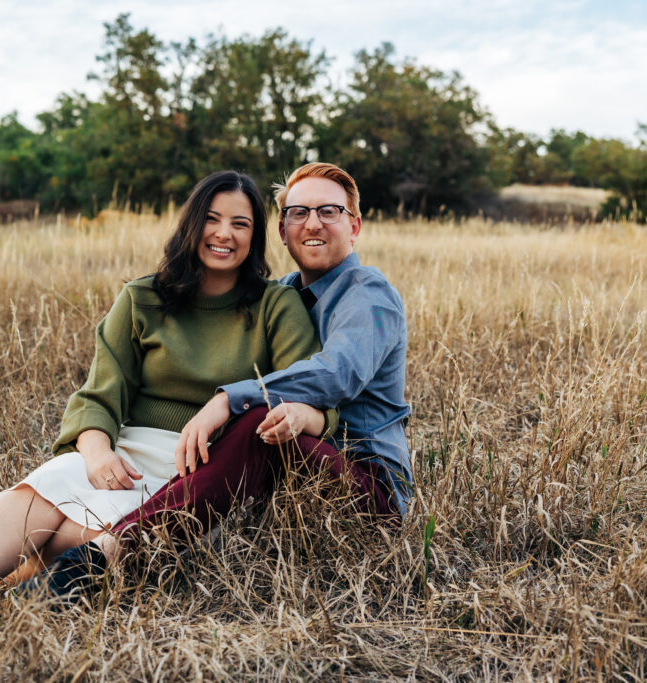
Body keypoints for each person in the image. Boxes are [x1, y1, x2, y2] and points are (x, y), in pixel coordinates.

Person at [0, 170, 338, 648]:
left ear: (257, 236)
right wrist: (99, 455)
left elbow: (307, 396)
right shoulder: (142, 298)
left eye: (240, 223)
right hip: (122, 455)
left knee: (96, 537)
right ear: (191, 224)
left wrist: (291, 417)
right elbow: (98, 396)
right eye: (212, 218)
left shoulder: (277, 306)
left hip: (202, 475)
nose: (224, 234)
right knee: (55, 481)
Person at [23, 162, 412, 600]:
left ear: (354, 226)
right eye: (298, 213)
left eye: (330, 211)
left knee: (257, 422)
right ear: (282, 231)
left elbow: (338, 374)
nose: (313, 223)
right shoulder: (282, 296)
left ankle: (105, 555)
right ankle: (23, 542)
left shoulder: (368, 292)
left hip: (363, 486)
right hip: (283, 486)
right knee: (259, 430)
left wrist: (229, 400)